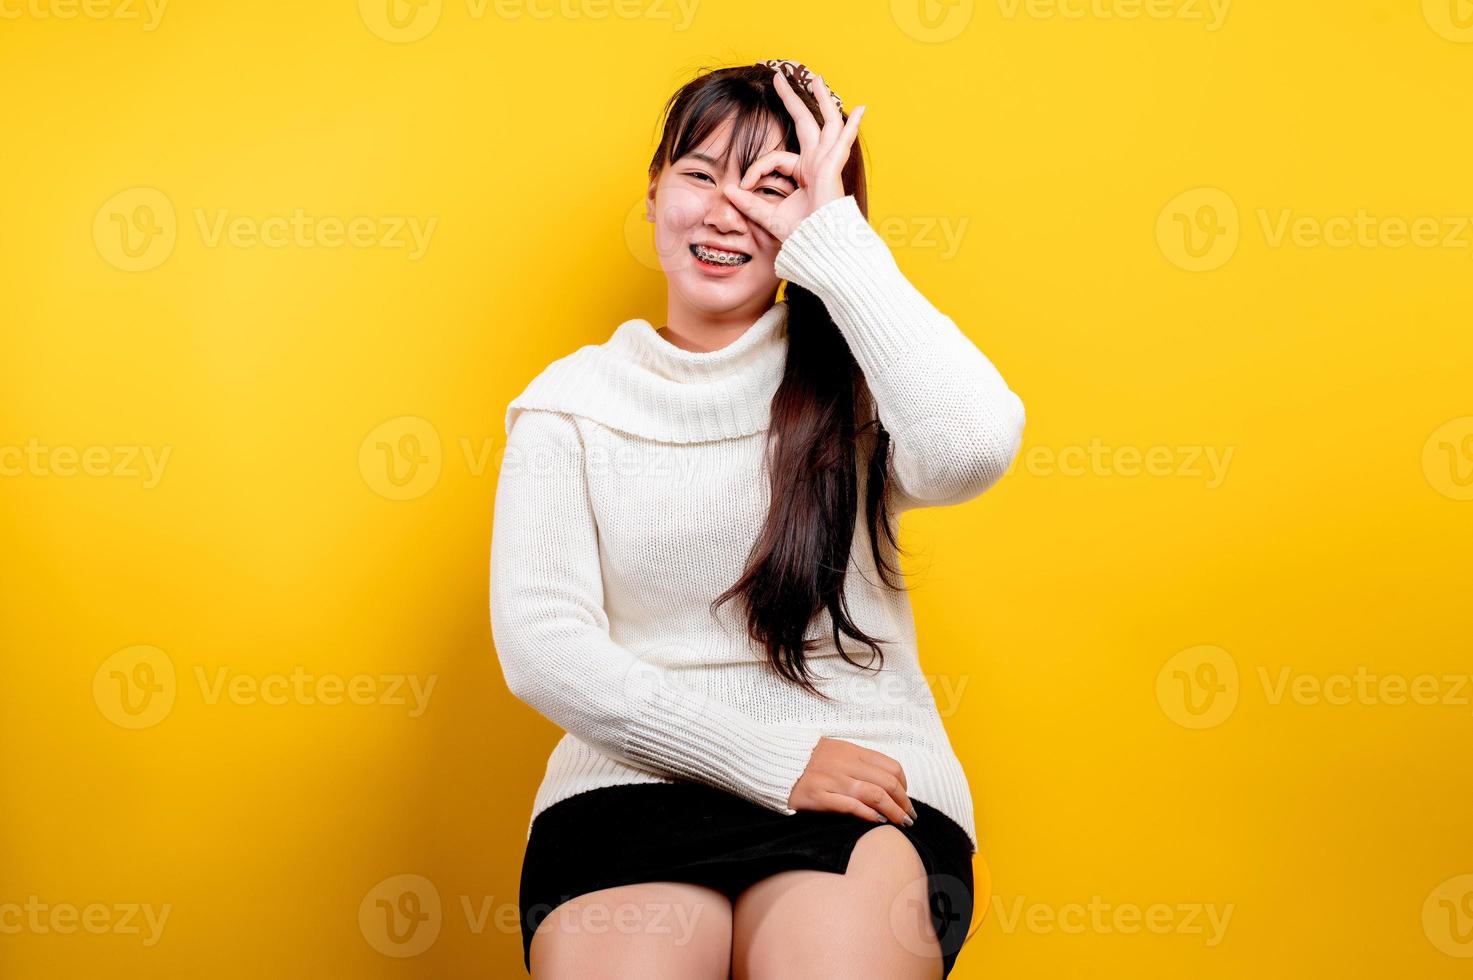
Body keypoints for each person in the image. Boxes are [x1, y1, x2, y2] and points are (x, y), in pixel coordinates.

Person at [489, 58, 1027, 979]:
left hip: (860, 789)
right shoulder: (567, 404)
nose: (725, 210)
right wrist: (770, 759)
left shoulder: (861, 387)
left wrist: (835, 241)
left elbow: (974, 445)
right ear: (655, 190)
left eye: (772, 187)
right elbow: (541, 644)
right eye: (699, 174)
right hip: (632, 785)